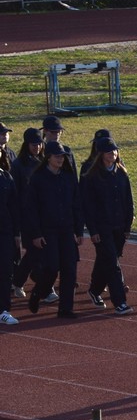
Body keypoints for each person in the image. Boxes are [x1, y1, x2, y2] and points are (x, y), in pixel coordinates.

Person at [22, 141, 84, 318]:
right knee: (51, 267)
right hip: (47, 231)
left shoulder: (68, 177)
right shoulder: (37, 179)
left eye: (62, 156)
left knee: (70, 269)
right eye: (57, 156)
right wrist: (36, 234)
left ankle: (66, 308)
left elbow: (76, 205)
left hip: (67, 229)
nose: (61, 159)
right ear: (48, 157)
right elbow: (31, 209)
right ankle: (38, 291)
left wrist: (79, 230)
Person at [82, 141, 134, 315]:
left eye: (114, 150)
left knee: (107, 260)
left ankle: (95, 290)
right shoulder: (93, 177)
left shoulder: (122, 173)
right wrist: (93, 230)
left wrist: (128, 226)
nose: (112, 153)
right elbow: (88, 207)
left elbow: (129, 201)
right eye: (108, 151)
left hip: (119, 226)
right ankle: (120, 302)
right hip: (102, 227)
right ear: (101, 154)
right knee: (113, 264)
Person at [11, 128, 44, 302]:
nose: (37, 147)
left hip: (43, 215)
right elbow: (15, 195)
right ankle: (20, 281)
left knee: (40, 252)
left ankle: (19, 281)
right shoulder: (18, 165)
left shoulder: (44, 161)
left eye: (39, 144)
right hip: (26, 216)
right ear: (26, 144)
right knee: (33, 251)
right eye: (34, 144)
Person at [0, 138, 17, 326]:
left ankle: (3, 309)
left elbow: (14, 207)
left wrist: (16, 234)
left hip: (4, 231)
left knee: (5, 270)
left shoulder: (6, 177)